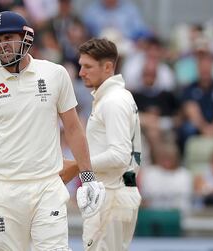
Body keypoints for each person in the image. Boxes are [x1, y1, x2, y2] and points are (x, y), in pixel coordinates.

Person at [0, 11, 104, 250]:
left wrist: (88, 177)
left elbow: (74, 129)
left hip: (48, 186)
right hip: (3, 192)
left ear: (26, 37)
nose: (2, 46)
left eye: (7, 38)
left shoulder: (55, 75)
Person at [60, 38, 142, 250]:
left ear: (107, 67)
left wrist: (77, 165)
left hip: (112, 196)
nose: (81, 72)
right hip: (116, 193)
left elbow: (119, 156)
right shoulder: (116, 97)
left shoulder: (113, 101)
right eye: (80, 65)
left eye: (87, 66)